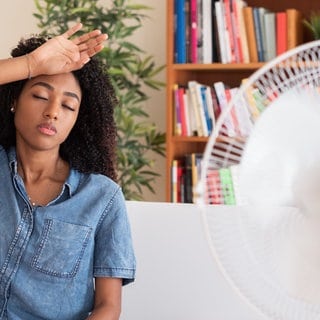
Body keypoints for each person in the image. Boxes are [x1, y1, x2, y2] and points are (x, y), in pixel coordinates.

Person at [0, 23, 136, 320]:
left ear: (78, 121)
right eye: (39, 96)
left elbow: (108, 307)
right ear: (14, 101)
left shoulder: (102, 197)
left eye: (68, 106)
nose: (53, 111)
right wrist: (31, 64)